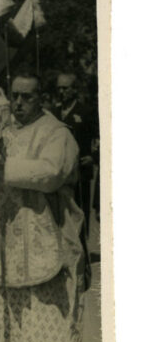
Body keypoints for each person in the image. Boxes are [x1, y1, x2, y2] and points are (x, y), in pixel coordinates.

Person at [0, 68, 85, 342]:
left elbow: (51, 173)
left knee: (42, 297)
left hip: (43, 224)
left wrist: (5, 166)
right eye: (15, 96)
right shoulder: (3, 131)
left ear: (41, 98)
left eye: (27, 97)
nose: (18, 103)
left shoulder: (56, 133)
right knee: (8, 291)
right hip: (7, 226)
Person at [52, 72, 98, 235]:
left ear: (74, 89)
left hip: (80, 173)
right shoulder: (54, 113)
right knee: (58, 215)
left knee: (79, 213)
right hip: (58, 172)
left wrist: (94, 157)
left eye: (65, 88)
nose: (61, 92)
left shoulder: (86, 111)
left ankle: (82, 248)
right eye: (59, 88)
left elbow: (102, 136)